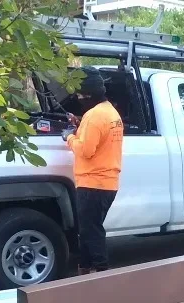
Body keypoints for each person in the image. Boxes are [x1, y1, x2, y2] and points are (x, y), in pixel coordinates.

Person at [62, 68, 124, 274]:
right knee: (88, 231)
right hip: (107, 183)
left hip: (92, 184)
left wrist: (69, 137)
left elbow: (86, 151)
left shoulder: (94, 116)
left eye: (79, 95)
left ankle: (101, 274)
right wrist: (80, 125)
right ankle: (85, 271)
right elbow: (99, 135)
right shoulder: (110, 112)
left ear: (87, 94)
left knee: (92, 232)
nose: (78, 99)